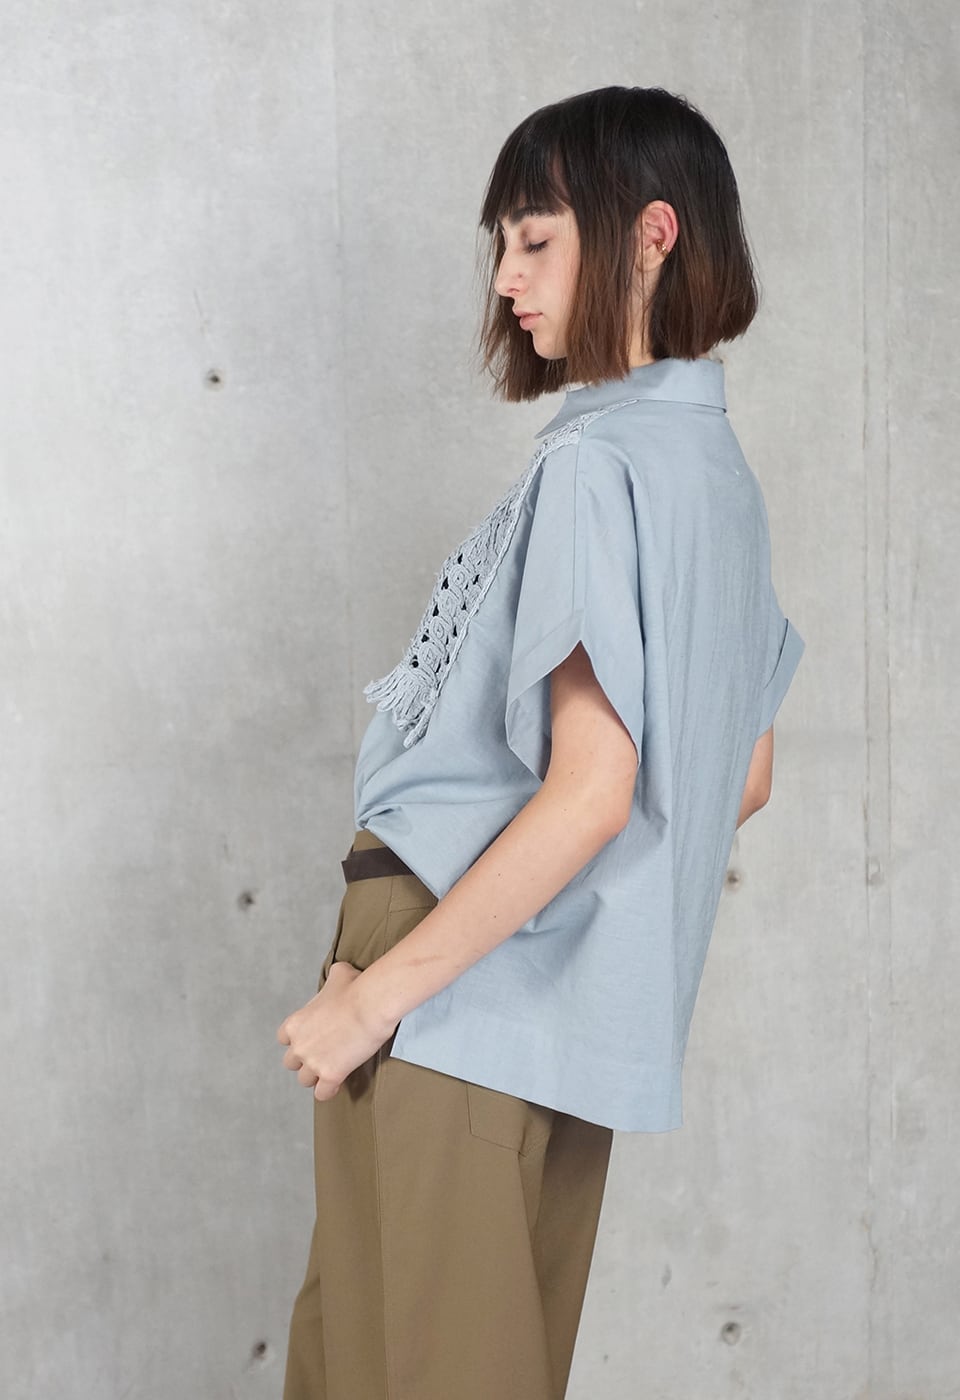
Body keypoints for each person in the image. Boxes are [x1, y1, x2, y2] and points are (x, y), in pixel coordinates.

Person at [277, 84, 804, 1400]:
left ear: (652, 236)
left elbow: (591, 792)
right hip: (542, 1003)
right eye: (502, 245)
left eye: (536, 239)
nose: (506, 278)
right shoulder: (719, 484)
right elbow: (739, 776)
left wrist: (378, 994)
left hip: (446, 981)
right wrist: (565, 941)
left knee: (389, 1372)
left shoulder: (593, 468)